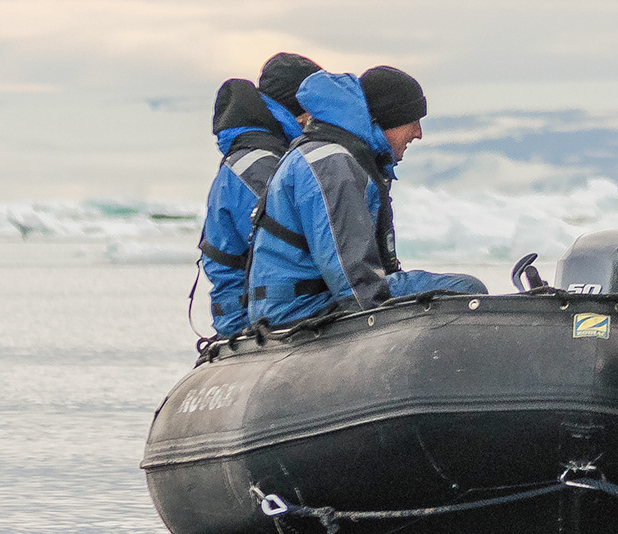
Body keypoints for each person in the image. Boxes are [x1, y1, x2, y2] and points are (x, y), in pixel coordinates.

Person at [245, 64, 489, 325]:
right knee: (466, 289)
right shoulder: (333, 164)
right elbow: (350, 273)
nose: (418, 133)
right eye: (413, 121)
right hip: (303, 310)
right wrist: (378, 327)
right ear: (388, 119)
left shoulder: (335, 155)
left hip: (297, 304)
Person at [195, 48, 320, 334]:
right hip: (249, 320)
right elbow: (281, 247)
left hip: (250, 313)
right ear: (301, 109)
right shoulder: (260, 166)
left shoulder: (260, 155)